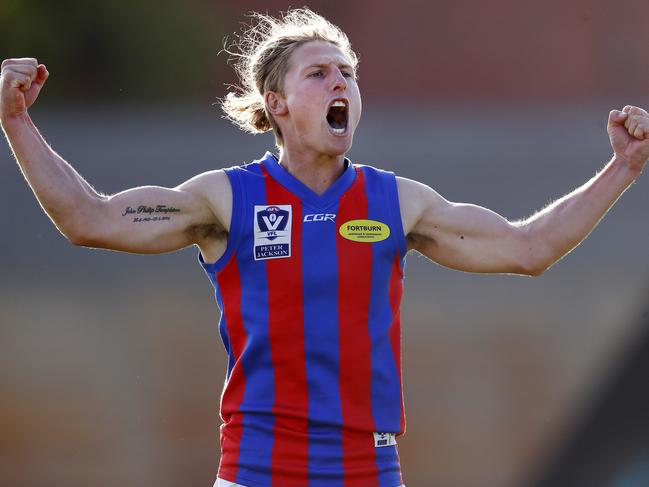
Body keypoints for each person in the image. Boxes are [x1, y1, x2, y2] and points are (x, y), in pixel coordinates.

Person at [1, 7, 648, 487]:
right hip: (257, 469)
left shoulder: (398, 203)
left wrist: (621, 167)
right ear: (276, 104)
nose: (341, 83)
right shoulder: (225, 200)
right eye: (319, 73)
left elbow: (529, 246)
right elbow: (87, 218)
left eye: (348, 73)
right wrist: (16, 121)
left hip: (369, 469)